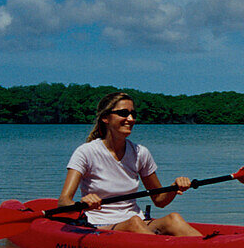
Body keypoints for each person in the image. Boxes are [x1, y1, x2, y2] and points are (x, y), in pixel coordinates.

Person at [58, 92, 202, 235]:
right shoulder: (86, 152)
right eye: (123, 113)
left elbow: (159, 200)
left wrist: (173, 188)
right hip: (100, 223)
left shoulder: (141, 153)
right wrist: (82, 203)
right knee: (133, 224)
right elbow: (63, 202)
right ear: (105, 118)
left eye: (133, 114)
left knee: (173, 219)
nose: (131, 119)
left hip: (137, 221)